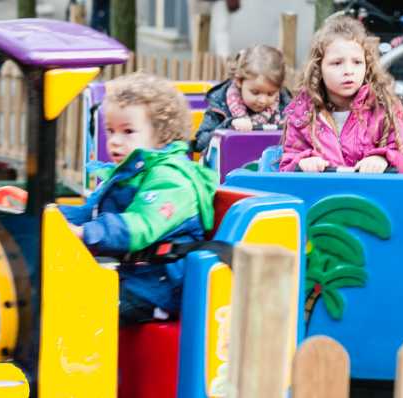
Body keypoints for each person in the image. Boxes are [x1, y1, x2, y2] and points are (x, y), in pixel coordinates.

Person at [59, 72, 218, 325]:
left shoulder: (172, 179)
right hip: (133, 275)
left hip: (160, 285)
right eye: (110, 131)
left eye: (128, 131)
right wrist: (46, 212)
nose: (115, 141)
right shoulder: (128, 173)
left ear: (162, 134)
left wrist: (83, 233)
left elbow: (140, 225)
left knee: (83, 309)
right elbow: (90, 212)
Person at [279, 16, 403, 173]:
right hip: (323, 195)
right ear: (319, 68)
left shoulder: (383, 107)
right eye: (337, 63)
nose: (348, 71)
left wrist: (383, 158)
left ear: (367, 65)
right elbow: (287, 163)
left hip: (372, 195)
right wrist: (303, 161)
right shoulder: (303, 113)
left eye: (357, 62)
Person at [193, 44, 292, 154]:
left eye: (271, 93)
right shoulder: (220, 104)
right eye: (255, 92)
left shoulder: (286, 108)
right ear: (239, 81)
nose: (263, 100)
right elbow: (200, 142)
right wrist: (229, 125)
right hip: (227, 166)